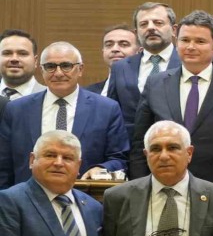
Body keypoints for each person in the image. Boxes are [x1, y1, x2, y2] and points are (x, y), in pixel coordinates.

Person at [130, 10, 213, 183]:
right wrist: (139, 185)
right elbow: (139, 143)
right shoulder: (156, 84)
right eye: (185, 40)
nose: (191, 47)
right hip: (164, 182)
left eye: (200, 41)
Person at [0, 41, 129, 188]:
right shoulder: (17, 109)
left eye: (66, 66)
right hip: (25, 197)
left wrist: (101, 169)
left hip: (84, 195)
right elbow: (4, 165)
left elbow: (119, 158)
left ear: (80, 69)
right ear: (41, 70)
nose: (58, 73)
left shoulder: (106, 109)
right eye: (50, 66)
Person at [108, 2, 181, 138]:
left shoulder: (186, 64)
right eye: (143, 24)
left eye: (158, 23)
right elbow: (111, 113)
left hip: (174, 141)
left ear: (174, 30)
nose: (151, 28)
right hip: (130, 144)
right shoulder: (120, 68)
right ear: (136, 33)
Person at [85, 24, 140, 95]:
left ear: (139, 51)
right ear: (103, 51)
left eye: (124, 44)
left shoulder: (147, 88)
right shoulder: (87, 93)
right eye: (109, 45)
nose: (115, 49)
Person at [0, 29, 46, 100]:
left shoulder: (50, 97)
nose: (14, 59)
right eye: (7, 53)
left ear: (35, 61)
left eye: (22, 54)